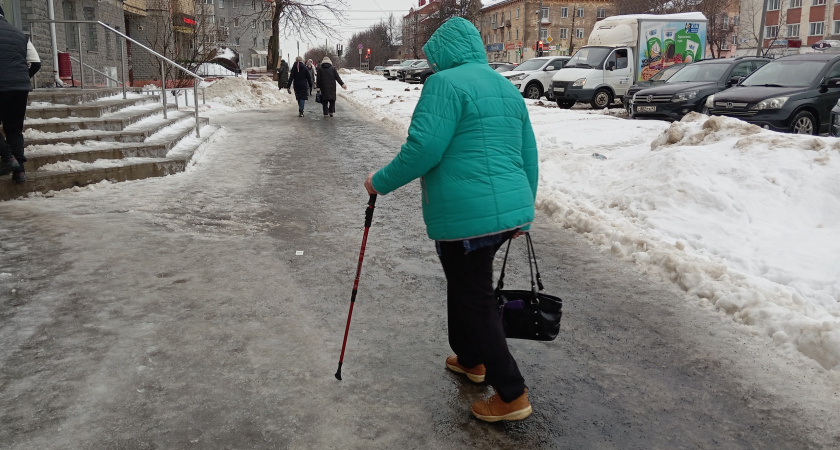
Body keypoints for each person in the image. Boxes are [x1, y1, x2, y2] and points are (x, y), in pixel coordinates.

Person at [363, 17, 538, 422]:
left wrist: (379, 183)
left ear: (442, 52)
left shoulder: (443, 85)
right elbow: (528, 152)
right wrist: (524, 209)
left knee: (474, 298)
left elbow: (423, 150)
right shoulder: (504, 87)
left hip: (466, 216)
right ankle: (471, 359)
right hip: (504, 213)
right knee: (466, 288)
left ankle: (511, 392)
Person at [0, 5, 40, 182]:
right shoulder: (20, 34)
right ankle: (20, 172)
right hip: (20, 88)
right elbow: (36, 63)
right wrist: (23, 79)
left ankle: (9, 158)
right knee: (14, 129)